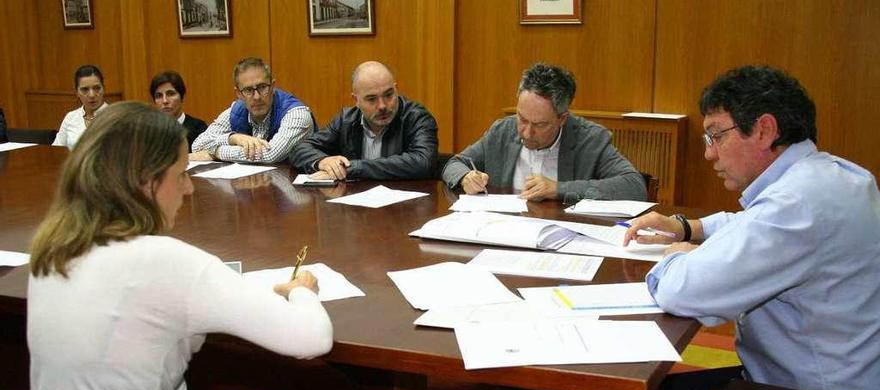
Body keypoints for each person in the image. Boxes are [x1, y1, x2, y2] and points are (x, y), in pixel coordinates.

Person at [28, 101, 333, 390]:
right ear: (148, 182)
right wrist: (302, 292)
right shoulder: (167, 262)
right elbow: (313, 338)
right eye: (181, 174)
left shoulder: (52, 248)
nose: (189, 188)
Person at [612, 65, 880, 390]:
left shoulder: (799, 203)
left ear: (764, 129)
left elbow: (687, 290)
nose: (709, 154)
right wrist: (690, 229)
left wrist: (672, 257)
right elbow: (753, 225)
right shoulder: (836, 176)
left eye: (716, 136)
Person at [441, 63, 646, 201]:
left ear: (562, 118)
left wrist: (558, 189)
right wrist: (465, 177)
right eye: (522, 119)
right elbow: (454, 163)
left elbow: (634, 186)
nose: (527, 132)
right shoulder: (501, 131)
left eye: (539, 125)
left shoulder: (590, 140)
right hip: (503, 235)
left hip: (564, 240)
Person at [291, 61, 438, 180]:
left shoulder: (416, 117)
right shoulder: (346, 120)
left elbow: (423, 163)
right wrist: (322, 161)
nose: (382, 106)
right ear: (356, 100)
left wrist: (353, 168)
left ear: (396, 89)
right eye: (371, 99)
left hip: (405, 208)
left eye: (388, 95)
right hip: (356, 207)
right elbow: (300, 149)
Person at [191, 57, 316, 164]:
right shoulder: (236, 110)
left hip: (296, 188)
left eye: (262, 87)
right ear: (239, 93)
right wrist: (232, 138)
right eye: (248, 90)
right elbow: (197, 145)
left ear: (272, 86)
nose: (256, 97)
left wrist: (215, 153)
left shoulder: (297, 114)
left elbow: (269, 155)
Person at [52, 65, 109, 149]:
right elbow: (56, 150)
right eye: (85, 89)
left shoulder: (115, 116)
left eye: (96, 88)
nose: (92, 95)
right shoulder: (71, 117)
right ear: (77, 92)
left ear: (103, 88)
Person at [150, 70, 208, 151]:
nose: (165, 101)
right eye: (158, 96)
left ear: (182, 97)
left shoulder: (199, 128)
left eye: (170, 94)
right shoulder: (148, 131)